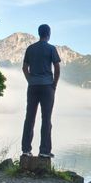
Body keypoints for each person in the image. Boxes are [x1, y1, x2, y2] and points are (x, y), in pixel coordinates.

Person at [21, 24, 61, 158]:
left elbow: (24, 68)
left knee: (29, 118)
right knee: (46, 119)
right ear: (48, 33)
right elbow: (57, 68)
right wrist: (54, 85)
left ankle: (26, 150)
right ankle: (44, 151)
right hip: (47, 87)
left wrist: (30, 80)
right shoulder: (51, 48)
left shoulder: (30, 49)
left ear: (39, 33)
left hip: (33, 86)